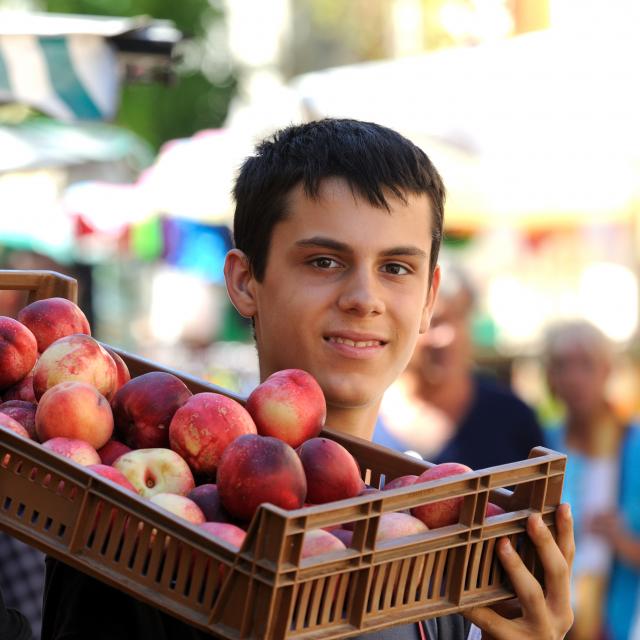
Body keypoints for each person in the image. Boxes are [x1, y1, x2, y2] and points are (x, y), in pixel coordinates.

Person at [41, 119, 574, 640]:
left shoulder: (441, 539)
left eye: (396, 268)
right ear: (246, 281)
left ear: (430, 298)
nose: (364, 298)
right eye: (324, 261)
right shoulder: (146, 527)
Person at [374, 263, 544, 469]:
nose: (449, 337)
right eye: (434, 322)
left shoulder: (511, 416)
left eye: (461, 319)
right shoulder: (364, 417)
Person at [543, 320, 640, 640]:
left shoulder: (633, 443)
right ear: (550, 377)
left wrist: (624, 542)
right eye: (562, 366)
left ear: (607, 370)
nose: (574, 378)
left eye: (586, 364)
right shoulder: (543, 445)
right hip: (556, 623)